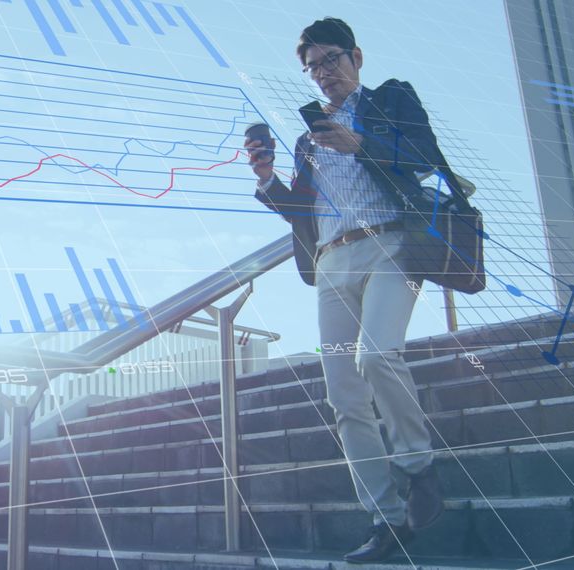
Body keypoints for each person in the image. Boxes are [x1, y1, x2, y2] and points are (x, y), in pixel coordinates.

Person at [246, 17, 446, 564]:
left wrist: (360, 143)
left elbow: (426, 158)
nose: (323, 74)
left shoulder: (390, 99)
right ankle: (384, 518)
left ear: (356, 56)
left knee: (378, 356)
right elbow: (305, 212)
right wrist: (267, 180)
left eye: (331, 59)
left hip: (391, 247)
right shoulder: (307, 141)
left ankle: (418, 465)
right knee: (343, 397)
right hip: (332, 265)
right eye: (313, 67)